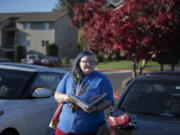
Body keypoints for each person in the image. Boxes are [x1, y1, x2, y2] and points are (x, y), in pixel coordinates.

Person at [54, 50, 114, 135]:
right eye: (86, 61)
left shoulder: (102, 79)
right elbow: (56, 95)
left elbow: (109, 101)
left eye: (92, 62)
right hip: (64, 129)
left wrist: (96, 108)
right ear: (79, 62)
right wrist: (66, 97)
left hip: (90, 130)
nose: (89, 64)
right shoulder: (69, 76)